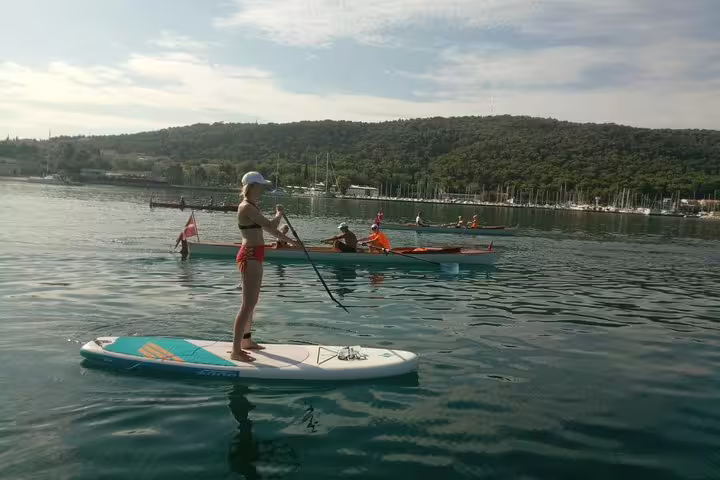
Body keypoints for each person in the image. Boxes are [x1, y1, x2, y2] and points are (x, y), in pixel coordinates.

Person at [233, 171, 296, 362]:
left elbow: (269, 230)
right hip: (249, 255)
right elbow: (270, 226)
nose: (262, 189)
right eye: (260, 185)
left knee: (252, 302)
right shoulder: (246, 208)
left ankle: (246, 341)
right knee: (247, 304)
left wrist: (290, 241)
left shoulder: (253, 206)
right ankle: (236, 351)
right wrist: (279, 214)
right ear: (251, 187)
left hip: (256, 255)